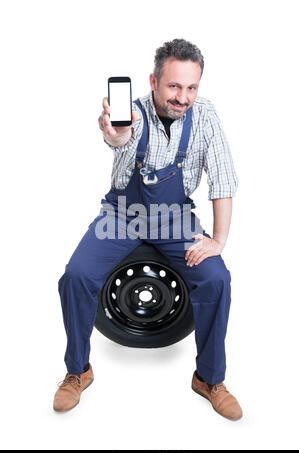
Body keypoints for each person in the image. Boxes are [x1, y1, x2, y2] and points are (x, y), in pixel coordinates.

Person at [54, 38, 242, 420]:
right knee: (75, 276)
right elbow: (120, 139)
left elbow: (223, 178)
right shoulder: (134, 113)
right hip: (122, 214)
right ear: (154, 80)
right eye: (174, 86)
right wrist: (115, 132)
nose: (182, 97)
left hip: (175, 217)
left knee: (216, 279)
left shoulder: (205, 115)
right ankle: (77, 372)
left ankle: (209, 379)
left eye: (191, 87)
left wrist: (218, 241)